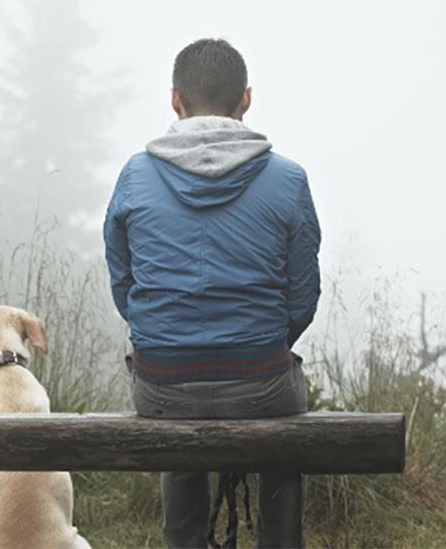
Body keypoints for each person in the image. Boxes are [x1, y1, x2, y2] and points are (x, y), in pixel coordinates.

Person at [102, 38, 321, 549]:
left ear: (175, 101)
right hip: (262, 384)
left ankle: (184, 540)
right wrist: (258, 343)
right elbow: (302, 298)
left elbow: (123, 283)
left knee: (176, 407)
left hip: (161, 385)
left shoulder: (135, 176)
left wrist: (166, 336)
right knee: (286, 413)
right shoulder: (288, 180)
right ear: (246, 100)